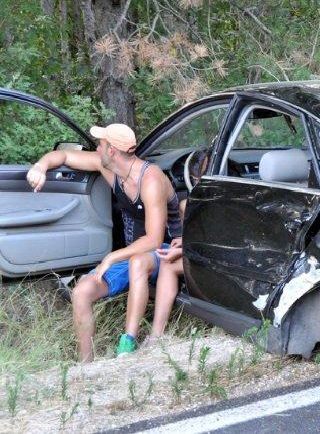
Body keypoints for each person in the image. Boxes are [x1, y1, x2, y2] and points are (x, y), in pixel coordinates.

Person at [26, 123, 182, 362]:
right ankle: (86, 366)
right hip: (133, 254)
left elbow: (153, 240)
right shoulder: (109, 168)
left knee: (138, 262)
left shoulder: (151, 180)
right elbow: (64, 155)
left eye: (100, 144)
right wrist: (41, 166)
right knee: (81, 292)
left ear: (112, 151)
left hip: (164, 253)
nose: (97, 148)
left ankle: (127, 344)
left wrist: (111, 257)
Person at [122, 148, 208, 347]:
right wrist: (186, 242)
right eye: (195, 179)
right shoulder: (190, 204)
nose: (196, 184)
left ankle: (156, 336)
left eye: (198, 179)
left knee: (168, 265)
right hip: (213, 251)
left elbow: (220, 241)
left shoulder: (207, 203)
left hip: (221, 260)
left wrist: (184, 250)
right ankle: (155, 336)